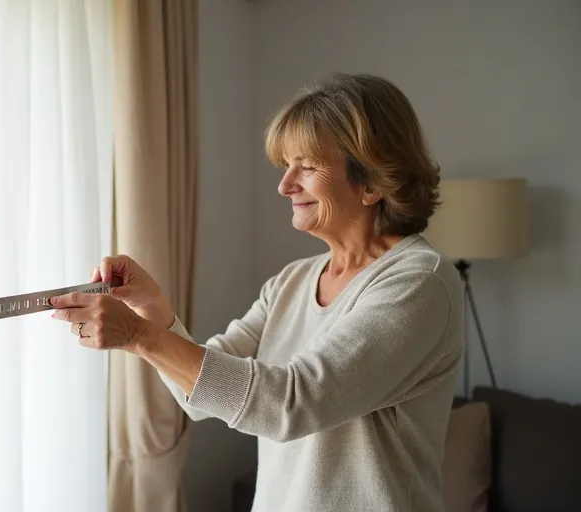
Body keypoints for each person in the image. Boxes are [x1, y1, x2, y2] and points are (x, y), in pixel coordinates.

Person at [49, 73, 465, 511]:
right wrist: (151, 309)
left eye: (306, 166)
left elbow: (291, 405)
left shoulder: (420, 283)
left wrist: (139, 335)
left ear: (373, 182)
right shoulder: (292, 281)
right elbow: (200, 396)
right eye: (287, 165)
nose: (285, 185)